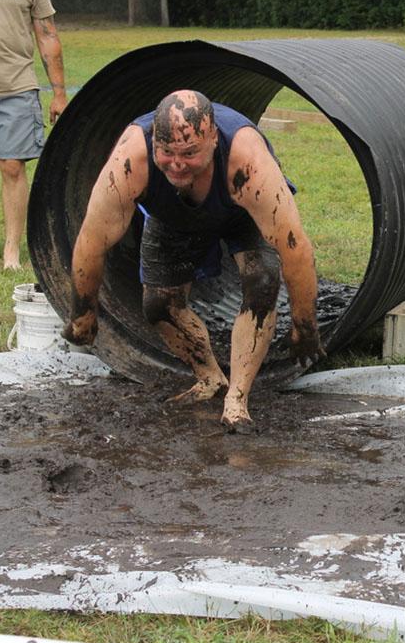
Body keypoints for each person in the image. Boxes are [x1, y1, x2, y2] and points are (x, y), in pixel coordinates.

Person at [62, 90, 325, 431]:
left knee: (261, 282)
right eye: (167, 152)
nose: (177, 163)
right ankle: (209, 378)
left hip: (241, 211)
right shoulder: (130, 159)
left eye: (189, 153)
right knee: (158, 305)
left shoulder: (247, 162)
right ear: (154, 140)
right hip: (173, 214)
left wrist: (305, 325)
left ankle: (237, 398)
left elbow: (297, 251)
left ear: (213, 140)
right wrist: (82, 313)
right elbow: (91, 242)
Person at [0, 0, 68, 269]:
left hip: (16, 85)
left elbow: (47, 35)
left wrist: (59, 93)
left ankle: (11, 253)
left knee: (12, 166)